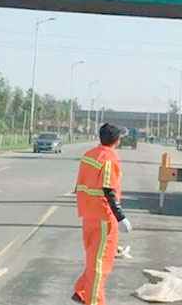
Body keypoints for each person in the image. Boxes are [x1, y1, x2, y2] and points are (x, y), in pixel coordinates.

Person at [72, 123, 133, 305]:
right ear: (117, 140)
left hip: (88, 214)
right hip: (104, 217)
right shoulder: (109, 159)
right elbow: (108, 189)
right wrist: (120, 217)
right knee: (100, 263)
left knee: (93, 258)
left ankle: (82, 290)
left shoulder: (89, 155)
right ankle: (94, 301)